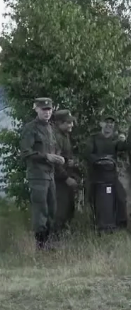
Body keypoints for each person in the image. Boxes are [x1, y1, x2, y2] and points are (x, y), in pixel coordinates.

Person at [20, 97, 65, 249]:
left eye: (49, 109)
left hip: (50, 174)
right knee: (41, 210)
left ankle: (49, 243)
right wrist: (46, 156)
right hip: (37, 175)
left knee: (52, 209)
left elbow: (53, 149)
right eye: (43, 109)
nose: (47, 112)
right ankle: (41, 245)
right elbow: (25, 153)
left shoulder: (50, 128)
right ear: (36, 109)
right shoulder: (30, 128)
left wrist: (57, 157)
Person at [84, 114, 129, 231]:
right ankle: (100, 224)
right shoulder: (93, 138)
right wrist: (101, 160)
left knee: (121, 196)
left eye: (111, 123)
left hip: (111, 175)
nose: (109, 125)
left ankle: (120, 224)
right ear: (101, 124)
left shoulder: (115, 139)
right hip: (96, 176)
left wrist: (124, 141)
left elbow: (124, 147)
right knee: (99, 200)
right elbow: (87, 154)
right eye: (106, 122)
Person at [52, 109, 80, 235]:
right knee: (60, 210)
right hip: (59, 180)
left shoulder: (65, 135)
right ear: (59, 123)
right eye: (68, 123)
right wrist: (66, 178)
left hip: (65, 176)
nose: (71, 125)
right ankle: (55, 238)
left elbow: (64, 157)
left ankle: (64, 235)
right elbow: (55, 162)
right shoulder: (56, 137)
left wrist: (70, 161)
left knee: (69, 208)